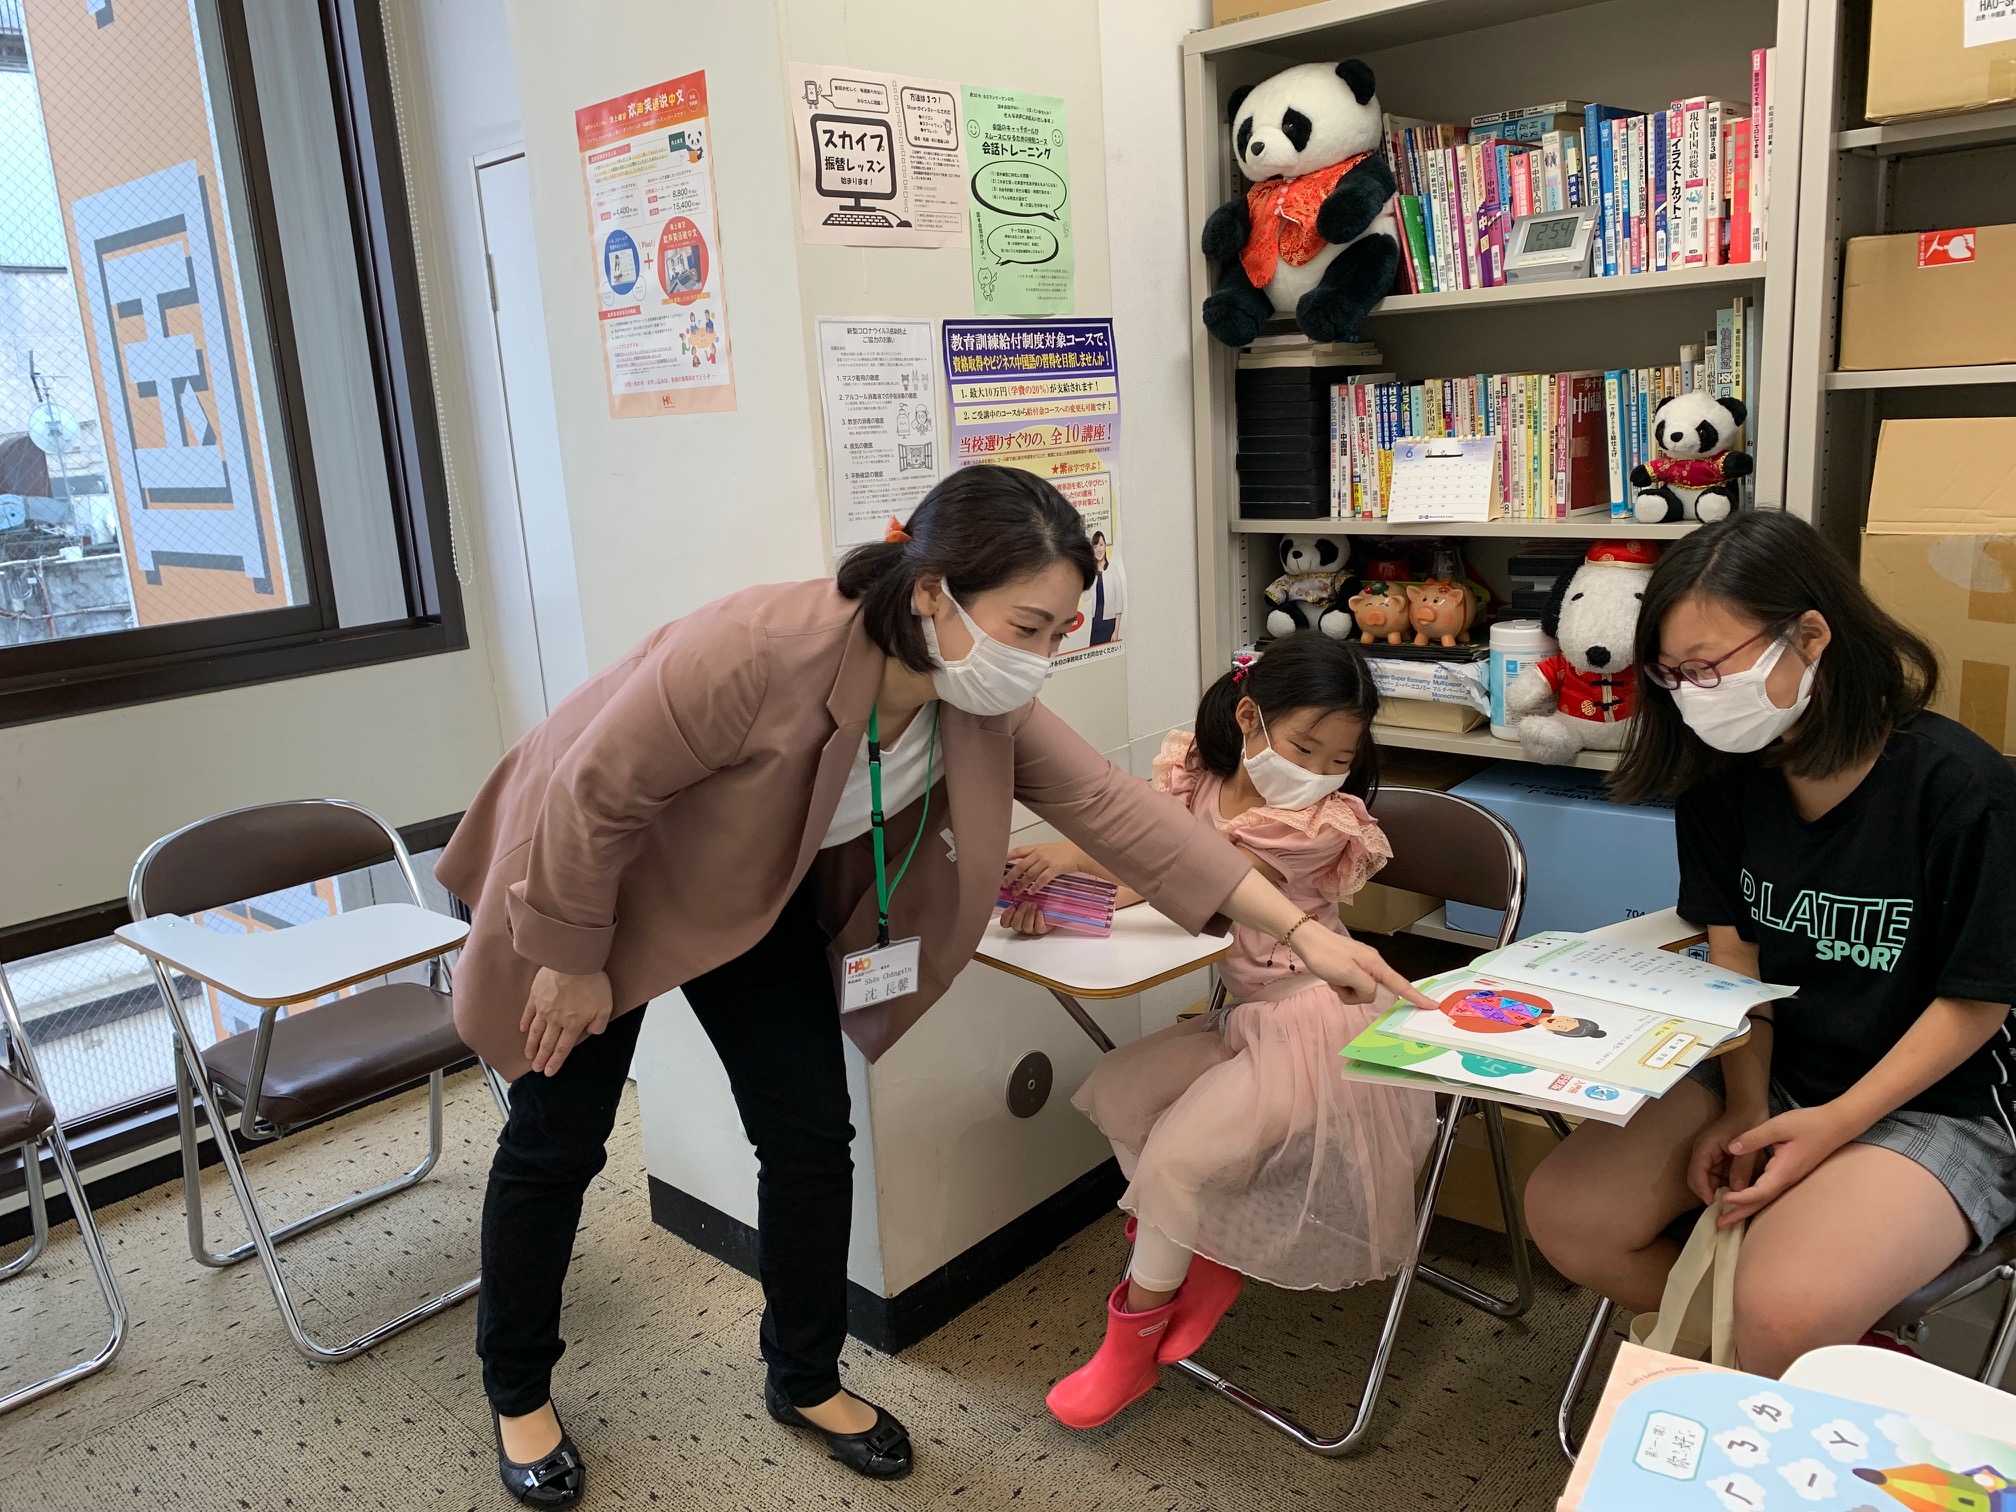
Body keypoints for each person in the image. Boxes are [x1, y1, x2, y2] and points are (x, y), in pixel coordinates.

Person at [434, 468, 1435, 1507]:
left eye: (1059, 631)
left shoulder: (977, 697)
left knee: (810, 1139)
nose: (1040, 656)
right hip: (599, 886)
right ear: (929, 591)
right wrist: (572, 959)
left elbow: (1116, 811)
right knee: (557, 1139)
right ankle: (518, 1389)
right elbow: (590, 793)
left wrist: (1301, 935)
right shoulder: (758, 648)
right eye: (1027, 627)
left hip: (745, 900)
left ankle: (805, 1377)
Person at [1523, 511, 2016, 1377]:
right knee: (1568, 1215)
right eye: (1673, 675)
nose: (1693, 694)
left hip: (1942, 1099)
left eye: (1709, 667)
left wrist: (1832, 1127)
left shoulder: (1961, 789)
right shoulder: (1723, 780)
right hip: (1778, 1063)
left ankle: (1789, 1354)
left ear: (1810, 636)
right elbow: (1737, 957)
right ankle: (1779, 1363)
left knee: (1783, 1304)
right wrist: (1746, 1104)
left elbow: (1975, 1002)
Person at [997, 633, 1437, 1428]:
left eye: (1340, 759)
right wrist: (1061, 895)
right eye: (1305, 748)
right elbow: (1147, 861)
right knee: (1121, 1092)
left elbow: (1196, 876)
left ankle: (1129, 1348)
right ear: (1248, 718)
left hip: (1319, 1024)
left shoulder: (1318, 824)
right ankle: (1195, 1247)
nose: (1320, 772)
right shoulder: (1196, 776)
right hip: (1246, 1018)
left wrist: (1070, 857)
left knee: (1178, 1159)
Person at [1087, 530, 1125, 647]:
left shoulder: (1113, 568)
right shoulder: (1091, 572)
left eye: (1101, 545)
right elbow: (1085, 596)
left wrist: (1116, 630)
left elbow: (1119, 602)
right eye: (1095, 546)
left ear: (1105, 546)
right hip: (1095, 623)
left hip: (1110, 622)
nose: (1098, 549)